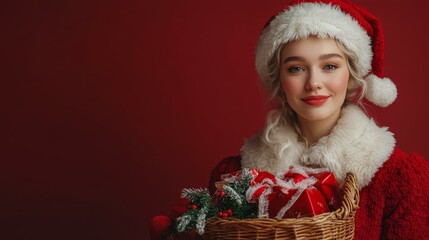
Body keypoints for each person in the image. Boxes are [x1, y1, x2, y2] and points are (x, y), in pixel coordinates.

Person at [151, 0, 429, 239]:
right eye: (296, 68)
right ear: (280, 79)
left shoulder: (400, 179)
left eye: (330, 66)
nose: (314, 83)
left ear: (352, 75)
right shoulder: (233, 178)